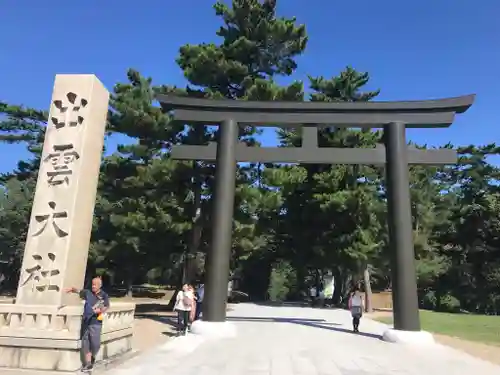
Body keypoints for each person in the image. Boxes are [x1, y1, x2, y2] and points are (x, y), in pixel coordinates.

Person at [64, 277, 110, 372]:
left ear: (99, 286)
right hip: (86, 321)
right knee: (86, 343)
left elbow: (107, 306)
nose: (93, 286)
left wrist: (100, 310)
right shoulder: (88, 293)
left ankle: (93, 357)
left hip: (96, 322)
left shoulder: (104, 295)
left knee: (95, 344)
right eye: (92, 284)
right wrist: (72, 289)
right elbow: (79, 291)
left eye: (95, 285)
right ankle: (88, 364)